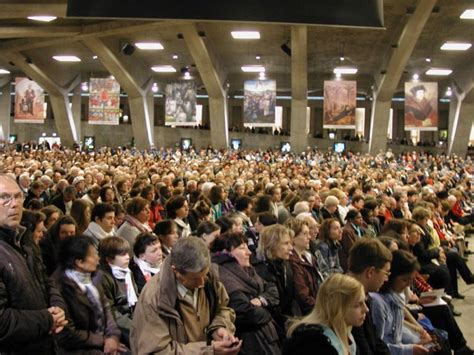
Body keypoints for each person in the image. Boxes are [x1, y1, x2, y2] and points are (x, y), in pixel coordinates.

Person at [131, 237, 241, 354]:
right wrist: (208, 351)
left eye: (204, 275)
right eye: (195, 279)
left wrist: (219, 327)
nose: (202, 283)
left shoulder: (208, 276)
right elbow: (157, 351)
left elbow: (223, 308)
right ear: (176, 271)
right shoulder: (153, 299)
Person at [0, 174, 67, 353]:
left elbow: (45, 280)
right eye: (4, 198)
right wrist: (47, 319)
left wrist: (58, 307)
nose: (14, 204)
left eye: (17, 196)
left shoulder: (24, 240)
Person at [53, 235, 125, 354]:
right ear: (79, 262)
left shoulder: (94, 278)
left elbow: (107, 311)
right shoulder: (60, 288)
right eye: (93, 255)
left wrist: (113, 336)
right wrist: (103, 341)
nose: (98, 258)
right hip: (79, 349)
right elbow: (68, 334)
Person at [211, 232, 281, 355]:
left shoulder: (248, 270)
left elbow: (273, 290)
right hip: (249, 345)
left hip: (266, 338)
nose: (249, 252)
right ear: (226, 253)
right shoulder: (224, 277)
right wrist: (270, 310)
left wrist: (260, 300)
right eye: (242, 248)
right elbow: (248, 313)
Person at [287, 274, 368, 355]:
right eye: (357, 305)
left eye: (364, 302)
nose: (366, 309)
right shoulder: (312, 344)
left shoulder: (347, 337)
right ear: (337, 307)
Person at [370, 250, 431, 355]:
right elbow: (380, 345)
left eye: (411, 280)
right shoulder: (378, 303)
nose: (408, 285)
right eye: (405, 280)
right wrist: (410, 348)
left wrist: (417, 339)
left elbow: (397, 330)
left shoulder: (397, 295)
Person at [346, 238, 392, 355]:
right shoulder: (347, 301)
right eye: (386, 273)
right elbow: (364, 348)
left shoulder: (365, 296)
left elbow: (375, 340)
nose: (386, 279)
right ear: (370, 272)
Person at [255, 224, 301, 339]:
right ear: (272, 245)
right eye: (286, 243)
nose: (291, 248)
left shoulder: (285, 265)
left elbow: (291, 299)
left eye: (291, 243)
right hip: (272, 331)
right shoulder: (260, 271)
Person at [98, 236, 138, 347]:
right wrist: (134, 327)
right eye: (123, 254)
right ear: (109, 259)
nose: (128, 257)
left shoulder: (127, 272)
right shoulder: (103, 278)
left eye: (127, 253)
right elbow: (111, 312)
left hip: (132, 318)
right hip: (117, 327)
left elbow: (136, 298)